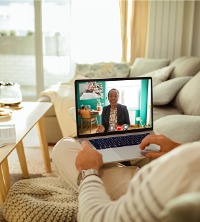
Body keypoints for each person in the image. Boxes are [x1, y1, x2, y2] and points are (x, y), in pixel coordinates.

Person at [52, 134, 200, 221]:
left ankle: (114, 165)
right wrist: (177, 148)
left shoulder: (184, 179)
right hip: (170, 168)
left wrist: (89, 170)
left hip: (154, 182)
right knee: (145, 147)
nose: (113, 98)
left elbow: (94, 217)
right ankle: (119, 163)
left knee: (63, 147)